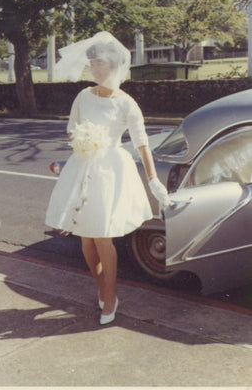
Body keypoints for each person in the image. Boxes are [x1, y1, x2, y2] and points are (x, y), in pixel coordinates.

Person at [45, 31, 171, 325]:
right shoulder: (83, 96)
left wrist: (153, 180)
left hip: (111, 172)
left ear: (115, 65)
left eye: (101, 63)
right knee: (86, 240)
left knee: (103, 238)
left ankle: (111, 296)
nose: (96, 69)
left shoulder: (127, 103)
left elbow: (142, 143)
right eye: (92, 64)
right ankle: (101, 287)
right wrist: (82, 139)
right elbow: (72, 129)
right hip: (83, 167)